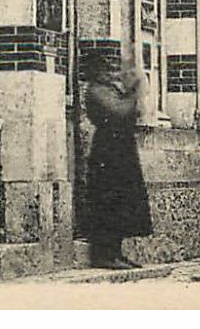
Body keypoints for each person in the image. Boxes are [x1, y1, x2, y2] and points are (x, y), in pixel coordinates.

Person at [83, 49, 152, 269]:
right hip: (108, 150)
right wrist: (135, 93)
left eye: (109, 69)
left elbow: (131, 112)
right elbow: (119, 112)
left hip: (120, 148)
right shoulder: (95, 91)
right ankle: (103, 255)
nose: (109, 73)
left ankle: (116, 252)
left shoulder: (109, 89)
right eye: (104, 69)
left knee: (123, 201)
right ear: (95, 72)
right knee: (108, 201)